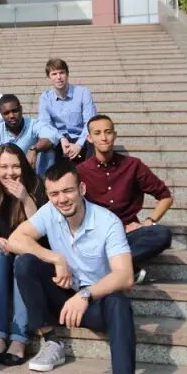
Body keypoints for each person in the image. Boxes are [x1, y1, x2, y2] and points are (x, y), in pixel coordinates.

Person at [9, 160, 136, 374]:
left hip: (96, 301)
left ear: (82, 189)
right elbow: (16, 239)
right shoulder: (50, 212)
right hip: (62, 295)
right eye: (54, 194)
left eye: (68, 191)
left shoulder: (107, 222)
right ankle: (52, 340)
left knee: (119, 303)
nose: (62, 199)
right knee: (25, 263)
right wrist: (56, 258)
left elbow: (125, 275)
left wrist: (86, 295)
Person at [78, 114, 173, 283]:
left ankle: (104, 268)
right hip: (97, 236)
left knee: (162, 234)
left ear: (115, 135)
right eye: (98, 133)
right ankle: (124, 269)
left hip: (128, 235)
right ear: (89, 138)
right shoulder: (81, 171)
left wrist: (149, 221)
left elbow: (165, 196)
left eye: (108, 132)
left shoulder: (133, 165)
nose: (104, 137)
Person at [0, 144, 46, 367]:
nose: (10, 172)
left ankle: (18, 339)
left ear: (23, 166)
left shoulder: (36, 185)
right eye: (4, 167)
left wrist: (25, 199)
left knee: (22, 264)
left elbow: (43, 228)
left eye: (16, 166)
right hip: (0, 252)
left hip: (28, 254)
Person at [0, 95, 60, 176]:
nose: (11, 116)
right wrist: (10, 169)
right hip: (7, 175)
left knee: (48, 151)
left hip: (31, 173)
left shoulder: (33, 124)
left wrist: (34, 149)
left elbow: (51, 137)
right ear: (1, 115)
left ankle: (45, 182)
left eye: (15, 111)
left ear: (21, 109)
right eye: (6, 113)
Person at [38, 59, 96, 164]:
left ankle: (89, 172)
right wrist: (61, 138)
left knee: (93, 139)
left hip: (81, 138)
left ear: (67, 74)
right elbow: (45, 124)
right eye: (54, 74)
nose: (58, 77)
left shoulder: (83, 93)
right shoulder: (45, 97)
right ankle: (46, 174)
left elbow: (90, 122)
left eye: (62, 73)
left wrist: (79, 144)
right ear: (49, 77)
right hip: (59, 140)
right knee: (45, 141)